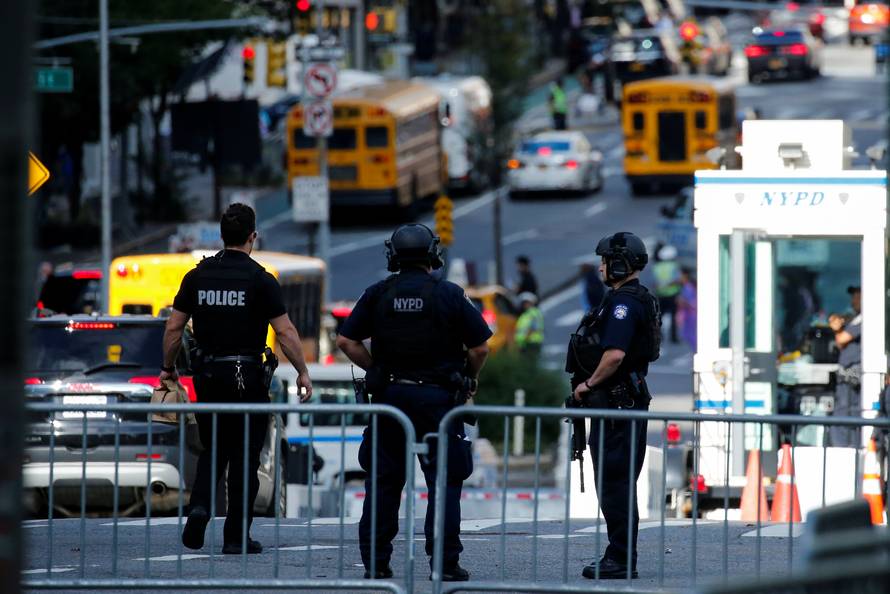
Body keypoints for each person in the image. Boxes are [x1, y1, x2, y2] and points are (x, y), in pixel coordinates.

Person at [336, 223, 492, 582]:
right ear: (432, 254)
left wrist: (375, 369)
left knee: (384, 481)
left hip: (390, 398)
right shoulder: (449, 294)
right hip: (438, 400)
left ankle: (376, 562)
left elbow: (347, 340)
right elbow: (481, 346)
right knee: (444, 482)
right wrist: (469, 375)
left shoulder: (378, 293)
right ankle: (444, 563)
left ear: (393, 255)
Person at [163, 203, 313, 555]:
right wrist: (303, 372)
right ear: (252, 237)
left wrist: (168, 367)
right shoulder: (261, 279)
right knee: (245, 455)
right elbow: (286, 332)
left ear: (221, 235)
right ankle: (235, 536)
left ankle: (200, 506)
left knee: (213, 447)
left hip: (209, 376)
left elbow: (173, 327)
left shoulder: (197, 277)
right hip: (248, 378)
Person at [566, 232, 659, 580]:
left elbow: (615, 354)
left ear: (619, 263)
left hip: (618, 407)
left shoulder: (623, 304)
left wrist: (587, 386)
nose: (601, 266)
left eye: (605, 260)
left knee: (615, 484)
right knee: (616, 483)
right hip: (621, 405)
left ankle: (620, 558)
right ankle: (620, 554)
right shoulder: (628, 298)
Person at [828, 285, 863, 447]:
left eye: (858, 296)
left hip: (853, 377)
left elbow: (842, 339)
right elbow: (841, 344)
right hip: (846, 377)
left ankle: (849, 451)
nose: (854, 300)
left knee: (847, 416)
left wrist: (837, 328)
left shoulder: (865, 318)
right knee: (842, 414)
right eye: (853, 297)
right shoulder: (854, 318)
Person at [651, 244, 681, 344]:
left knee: (659, 316)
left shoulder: (657, 267)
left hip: (660, 294)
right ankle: (674, 337)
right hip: (672, 294)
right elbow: (677, 280)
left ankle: (659, 336)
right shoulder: (674, 266)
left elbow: (654, 281)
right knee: (673, 317)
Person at [515, 292, 545, 360]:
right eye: (524, 303)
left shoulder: (533, 313)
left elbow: (533, 328)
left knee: (529, 364)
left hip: (531, 343)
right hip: (527, 343)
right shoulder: (526, 313)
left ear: (531, 303)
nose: (524, 305)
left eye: (526, 303)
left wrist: (524, 341)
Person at [676, 267, 697, 351]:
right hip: (688, 314)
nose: (678, 277)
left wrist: (682, 302)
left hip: (691, 314)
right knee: (687, 335)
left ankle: (696, 351)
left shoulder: (688, 287)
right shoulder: (686, 286)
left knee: (690, 335)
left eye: (680, 275)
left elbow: (692, 303)